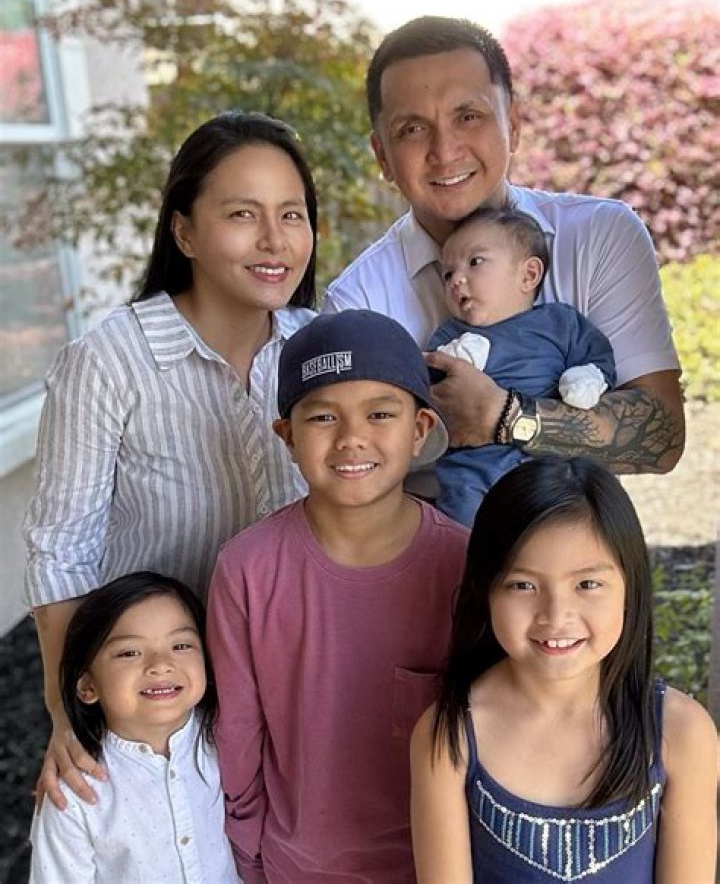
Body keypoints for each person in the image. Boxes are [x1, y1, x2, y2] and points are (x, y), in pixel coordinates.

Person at [23, 110, 317, 810]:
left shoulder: (319, 348)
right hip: (159, 700)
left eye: (293, 214)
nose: (275, 240)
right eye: (242, 214)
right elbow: (62, 550)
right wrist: (70, 711)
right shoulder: (110, 360)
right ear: (183, 232)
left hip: (294, 683)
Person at [322, 16, 684, 489]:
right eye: (412, 128)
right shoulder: (357, 303)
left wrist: (507, 417)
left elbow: (663, 436)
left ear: (513, 123)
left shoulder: (599, 235)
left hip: (578, 528)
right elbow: (354, 478)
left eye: (468, 116)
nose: (445, 151)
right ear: (382, 156)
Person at [207, 310, 470, 883]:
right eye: (323, 416)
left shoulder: (465, 567)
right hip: (293, 868)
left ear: (420, 429)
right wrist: (250, 859)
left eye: (380, 414)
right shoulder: (247, 570)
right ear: (288, 436)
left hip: (435, 869)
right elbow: (238, 736)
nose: (352, 438)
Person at [410, 457, 717, 883]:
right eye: (523, 585)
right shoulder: (451, 735)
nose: (555, 616)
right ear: (486, 591)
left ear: (630, 588)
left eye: (587, 584)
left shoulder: (679, 731)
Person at [29, 571, 239, 883]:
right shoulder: (74, 793)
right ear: (86, 685)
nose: (160, 664)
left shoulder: (226, 736)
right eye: (130, 652)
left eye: (181, 645)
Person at [428, 205, 615, 526]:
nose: (456, 279)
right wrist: (453, 359)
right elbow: (432, 386)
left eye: (475, 262)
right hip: (473, 470)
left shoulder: (560, 323)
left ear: (528, 275)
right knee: (465, 532)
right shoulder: (450, 335)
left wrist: (585, 378)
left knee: (562, 524)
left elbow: (600, 361)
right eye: (447, 274)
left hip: (548, 466)